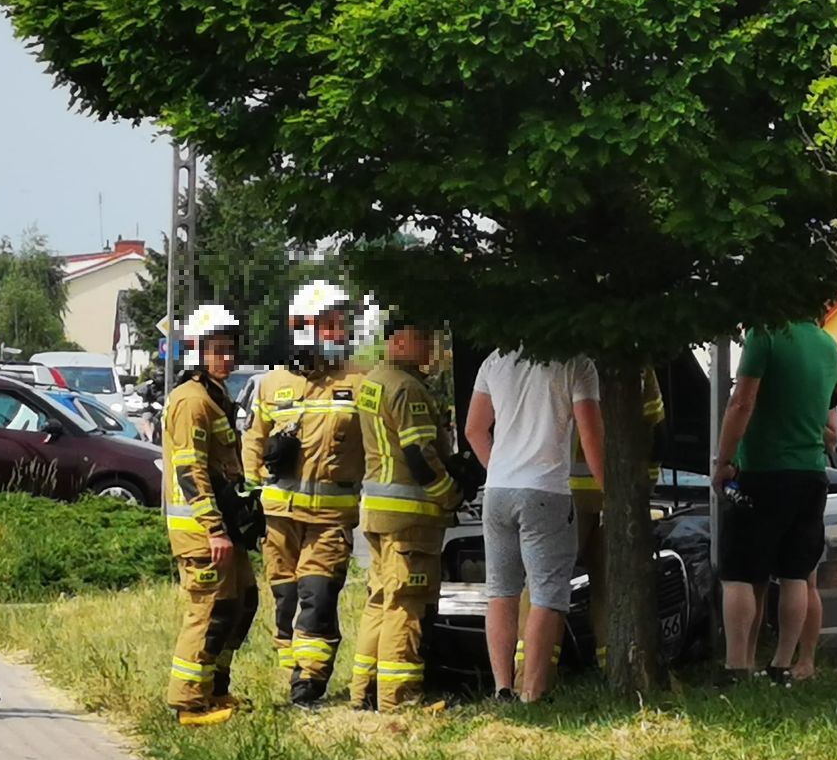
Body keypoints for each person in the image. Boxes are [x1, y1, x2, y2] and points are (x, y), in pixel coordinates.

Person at [243, 281, 363, 708]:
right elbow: (252, 443)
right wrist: (253, 491)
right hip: (280, 517)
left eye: (340, 324)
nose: (337, 332)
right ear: (301, 327)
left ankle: (308, 683)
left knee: (317, 596)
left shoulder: (360, 380)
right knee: (286, 600)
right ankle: (290, 673)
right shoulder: (273, 384)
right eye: (328, 324)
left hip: (331, 518)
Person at [709, 319, 837, 684]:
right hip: (812, 474)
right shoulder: (828, 344)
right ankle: (783, 664)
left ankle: (736, 667)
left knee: (738, 573)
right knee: (795, 574)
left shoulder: (764, 334)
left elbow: (742, 402)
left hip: (763, 470)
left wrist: (724, 462)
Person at [465, 348, 603, 702]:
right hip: (546, 492)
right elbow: (590, 435)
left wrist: (498, 468)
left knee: (501, 591)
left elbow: (474, 429)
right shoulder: (576, 363)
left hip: (497, 491)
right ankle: (534, 693)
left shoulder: (495, 361)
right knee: (546, 594)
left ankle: (502, 688)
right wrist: (612, 492)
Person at [349, 311, 467, 710]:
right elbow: (419, 455)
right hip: (410, 517)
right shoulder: (407, 388)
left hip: (380, 514)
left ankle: (364, 690)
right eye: (424, 339)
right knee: (407, 604)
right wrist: (450, 494)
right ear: (399, 340)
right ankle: (399, 700)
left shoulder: (374, 380)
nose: (432, 348)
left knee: (381, 599)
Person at [163, 304, 259, 724]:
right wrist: (216, 530)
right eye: (217, 349)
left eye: (230, 348)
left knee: (242, 603)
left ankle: (216, 688)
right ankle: (188, 703)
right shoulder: (190, 402)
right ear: (196, 353)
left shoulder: (213, 397)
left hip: (225, 529)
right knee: (210, 611)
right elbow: (191, 472)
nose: (226, 357)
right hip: (203, 533)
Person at [541, 366, 663, 671]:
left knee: (547, 585)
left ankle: (532, 673)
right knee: (608, 583)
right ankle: (615, 667)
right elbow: (656, 426)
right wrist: (646, 481)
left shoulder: (560, 358)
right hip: (614, 491)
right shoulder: (638, 361)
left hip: (563, 489)